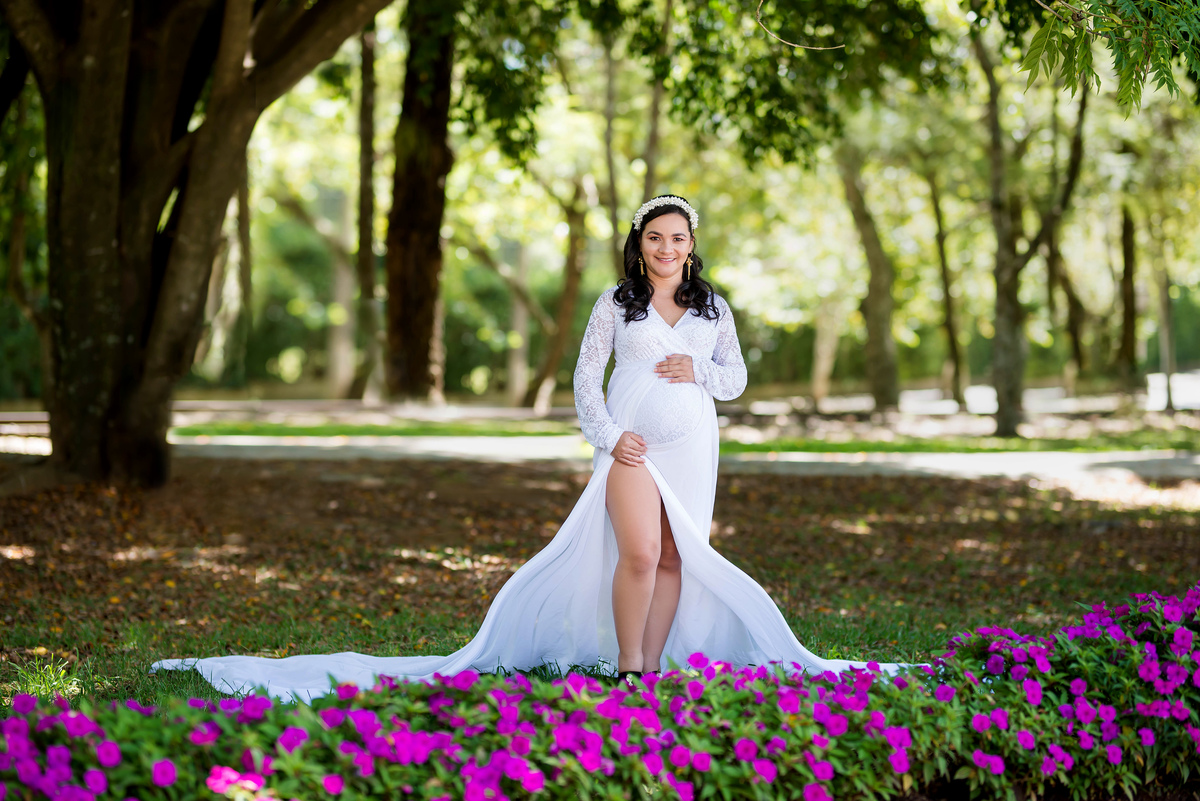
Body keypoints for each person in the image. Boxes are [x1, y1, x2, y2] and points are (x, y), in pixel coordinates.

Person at [152, 195, 890, 702]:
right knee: (639, 553)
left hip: (695, 444)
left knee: (674, 557)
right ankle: (630, 670)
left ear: (691, 246)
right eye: (655, 237)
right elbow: (585, 377)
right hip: (630, 448)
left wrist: (697, 369)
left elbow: (735, 379)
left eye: (678, 238)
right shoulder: (616, 302)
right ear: (639, 244)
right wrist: (610, 436)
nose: (666, 248)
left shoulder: (712, 307)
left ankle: (657, 669)